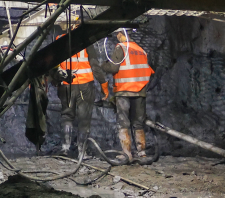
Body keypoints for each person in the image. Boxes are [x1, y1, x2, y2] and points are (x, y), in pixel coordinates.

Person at [96, 29, 154, 164]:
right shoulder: (140, 50)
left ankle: (127, 154)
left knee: (123, 123)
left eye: (117, 34)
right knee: (138, 123)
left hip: (124, 91)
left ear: (120, 34)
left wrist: (103, 65)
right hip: (139, 91)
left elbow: (113, 68)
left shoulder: (121, 48)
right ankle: (142, 153)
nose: (117, 36)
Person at [54, 18, 102, 158]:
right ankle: (82, 151)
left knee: (67, 115)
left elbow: (53, 64)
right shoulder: (86, 42)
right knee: (84, 118)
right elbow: (95, 66)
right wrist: (104, 85)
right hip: (84, 85)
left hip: (67, 85)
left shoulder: (59, 40)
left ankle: (65, 148)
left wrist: (56, 80)